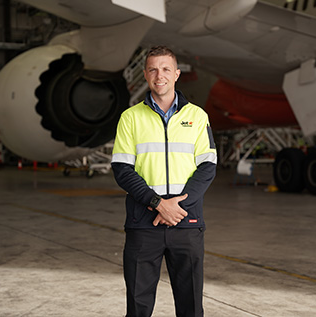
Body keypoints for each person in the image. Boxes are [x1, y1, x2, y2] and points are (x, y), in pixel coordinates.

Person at [111, 45, 217, 317]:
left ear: (177, 74)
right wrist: (158, 203)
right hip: (143, 224)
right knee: (138, 306)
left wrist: (177, 207)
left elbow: (207, 166)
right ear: (145, 75)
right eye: (153, 69)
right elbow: (122, 169)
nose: (160, 75)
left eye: (166, 69)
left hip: (187, 222)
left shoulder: (197, 116)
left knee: (191, 306)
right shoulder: (130, 118)